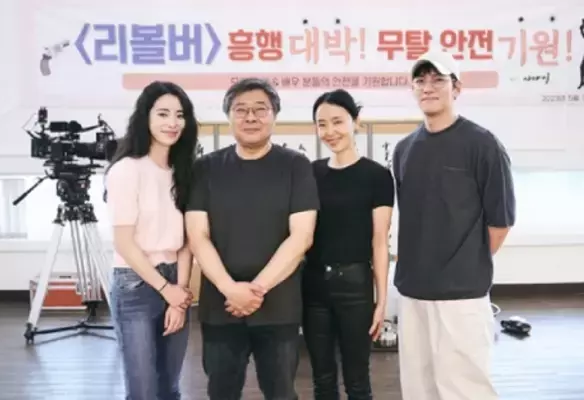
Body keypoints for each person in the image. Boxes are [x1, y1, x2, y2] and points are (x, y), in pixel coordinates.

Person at [185, 77, 320, 400]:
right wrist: (231, 289)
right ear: (228, 116)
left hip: (278, 305)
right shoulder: (205, 168)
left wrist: (255, 290)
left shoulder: (296, 166)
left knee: (281, 392)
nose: (250, 117)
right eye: (241, 110)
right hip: (221, 304)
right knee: (221, 391)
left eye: (260, 109)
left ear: (274, 115)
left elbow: (301, 237)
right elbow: (198, 236)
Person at [392, 49, 516, 400]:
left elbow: (500, 222)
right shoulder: (404, 150)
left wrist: (462, 265)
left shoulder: (482, 144)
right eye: (420, 81)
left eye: (438, 80)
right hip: (413, 293)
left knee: (464, 389)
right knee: (419, 389)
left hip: (461, 296)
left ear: (457, 88)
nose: (428, 87)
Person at [105, 81, 198, 400]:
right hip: (136, 283)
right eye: (163, 114)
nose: (172, 122)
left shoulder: (184, 171)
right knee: (143, 391)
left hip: (175, 279)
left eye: (180, 115)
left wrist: (179, 295)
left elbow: (187, 241)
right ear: (145, 117)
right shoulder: (126, 170)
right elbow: (124, 243)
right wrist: (165, 290)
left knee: (169, 387)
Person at [302, 89, 395, 400]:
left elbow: (379, 242)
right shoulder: (311, 173)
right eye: (322, 124)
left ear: (355, 121)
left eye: (338, 121)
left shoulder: (377, 176)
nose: (330, 131)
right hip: (313, 286)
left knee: (357, 381)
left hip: (355, 287)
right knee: (322, 380)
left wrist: (381, 302)